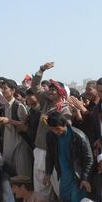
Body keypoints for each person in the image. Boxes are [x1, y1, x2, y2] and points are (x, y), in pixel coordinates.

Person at [44, 111, 94, 202]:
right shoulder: (50, 136)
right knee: (65, 196)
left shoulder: (78, 136)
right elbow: (49, 155)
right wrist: (48, 172)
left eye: (58, 129)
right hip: (63, 172)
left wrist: (85, 177)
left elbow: (89, 158)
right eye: (53, 129)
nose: (56, 132)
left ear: (65, 124)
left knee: (76, 198)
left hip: (77, 173)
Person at [31, 62, 71, 194]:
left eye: (55, 89)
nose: (51, 91)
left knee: (58, 185)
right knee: (40, 185)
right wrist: (41, 70)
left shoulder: (65, 109)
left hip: (55, 151)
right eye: (51, 88)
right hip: (40, 148)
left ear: (61, 92)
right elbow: (35, 87)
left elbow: (66, 128)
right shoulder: (45, 103)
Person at [0, 79, 33, 178]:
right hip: (7, 146)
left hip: (19, 146)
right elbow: (1, 126)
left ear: (12, 90)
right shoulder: (4, 107)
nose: (2, 91)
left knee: (22, 176)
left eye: (5, 88)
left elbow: (25, 127)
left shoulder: (18, 106)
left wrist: (9, 121)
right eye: (1, 89)